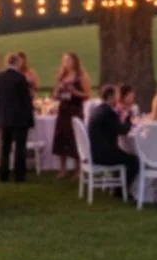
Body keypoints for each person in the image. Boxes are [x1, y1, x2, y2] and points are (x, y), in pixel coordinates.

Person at [0, 54, 35, 182]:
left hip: (4, 117)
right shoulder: (20, 78)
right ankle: (19, 175)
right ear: (18, 63)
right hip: (20, 118)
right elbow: (26, 99)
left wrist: (1, 111)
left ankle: (3, 173)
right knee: (20, 148)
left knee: (5, 147)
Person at [50, 52, 91, 180]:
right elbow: (55, 93)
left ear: (74, 61)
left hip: (75, 109)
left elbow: (87, 94)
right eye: (64, 60)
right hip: (63, 109)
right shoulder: (62, 76)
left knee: (74, 138)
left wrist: (75, 92)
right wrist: (57, 93)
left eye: (68, 60)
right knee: (61, 137)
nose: (66, 62)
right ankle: (63, 169)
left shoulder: (80, 76)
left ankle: (78, 169)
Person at [87, 85, 139, 183]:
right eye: (116, 96)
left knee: (126, 156)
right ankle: (120, 190)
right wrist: (129, 119)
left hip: (95, 152)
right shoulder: (108, 113)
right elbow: (123, 131)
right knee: (134, 161)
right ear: (110, 97)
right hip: (104, 155)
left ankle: (117, 185)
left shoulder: (98, 109)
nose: (118, 98)